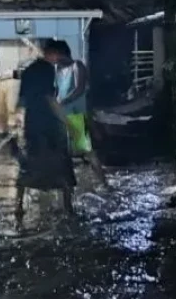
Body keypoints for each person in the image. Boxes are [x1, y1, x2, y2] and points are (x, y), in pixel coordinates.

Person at [13, 38, 75, 225]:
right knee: (63, 165)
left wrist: (18, 121)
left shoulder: (29, 70)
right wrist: (66, 121)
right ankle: (69, 208)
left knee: (29, 164)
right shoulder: (47, 70)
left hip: (32, 124)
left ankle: (18, 206)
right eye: (60, 56)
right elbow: (49, 98)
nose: (59, 60)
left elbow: (22, 100)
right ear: (54, 53)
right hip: (49, 124)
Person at [54, 40, 108, 186]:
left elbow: (79, 89)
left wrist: (62, 102)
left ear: (62, 53)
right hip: (63, 116)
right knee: (63, 152)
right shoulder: (58, 70)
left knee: (87, 151)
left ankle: (104, 184)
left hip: (75, 115)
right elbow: (56, 92)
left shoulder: (77, 66)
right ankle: (67, 187)